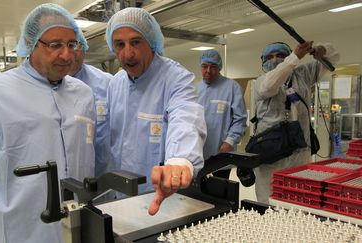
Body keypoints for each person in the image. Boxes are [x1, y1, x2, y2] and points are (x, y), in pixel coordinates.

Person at [0, 4, 96, 243]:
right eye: (55, 45)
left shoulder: (83, 94)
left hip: (79, 225)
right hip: (24, 228)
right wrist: (12, 195)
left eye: (71, 44)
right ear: (31, 45)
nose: (66, 55)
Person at [105, 7, 207, 216]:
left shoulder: (176, 79)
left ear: (151, 42)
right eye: (119, 45)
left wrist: (179, 161)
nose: (128, 53)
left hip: (159, 196)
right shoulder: (115, 84)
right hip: (118, 195)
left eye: (135, 42)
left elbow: (185, 117)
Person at [252, 41, 339, 203]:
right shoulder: (261, 81)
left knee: (297, 201)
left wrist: (322, 49)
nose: (275, 60)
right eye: (270, 57)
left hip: (299, 153)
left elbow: (334, 57)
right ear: (263, 62)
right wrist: (294, 58)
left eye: (280, 56)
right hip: (272, 155)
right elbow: (269, 87)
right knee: (269, 202)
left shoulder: (303, 74)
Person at [197, 50, 247, 179]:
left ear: (219, 68)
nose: (208, 70)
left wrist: (229, 142)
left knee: (219, 189)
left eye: (213, 67)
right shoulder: (195, 89)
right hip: (197, 152)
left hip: (222, 151)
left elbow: (240, 119)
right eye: (204, 66)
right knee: (196, 192)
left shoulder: (232, 87)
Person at [69, 44, 113, 177]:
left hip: (104, 174)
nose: (69, 53)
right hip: (68, 174)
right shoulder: (47, 87)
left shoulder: (107, 82)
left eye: (75, 45)